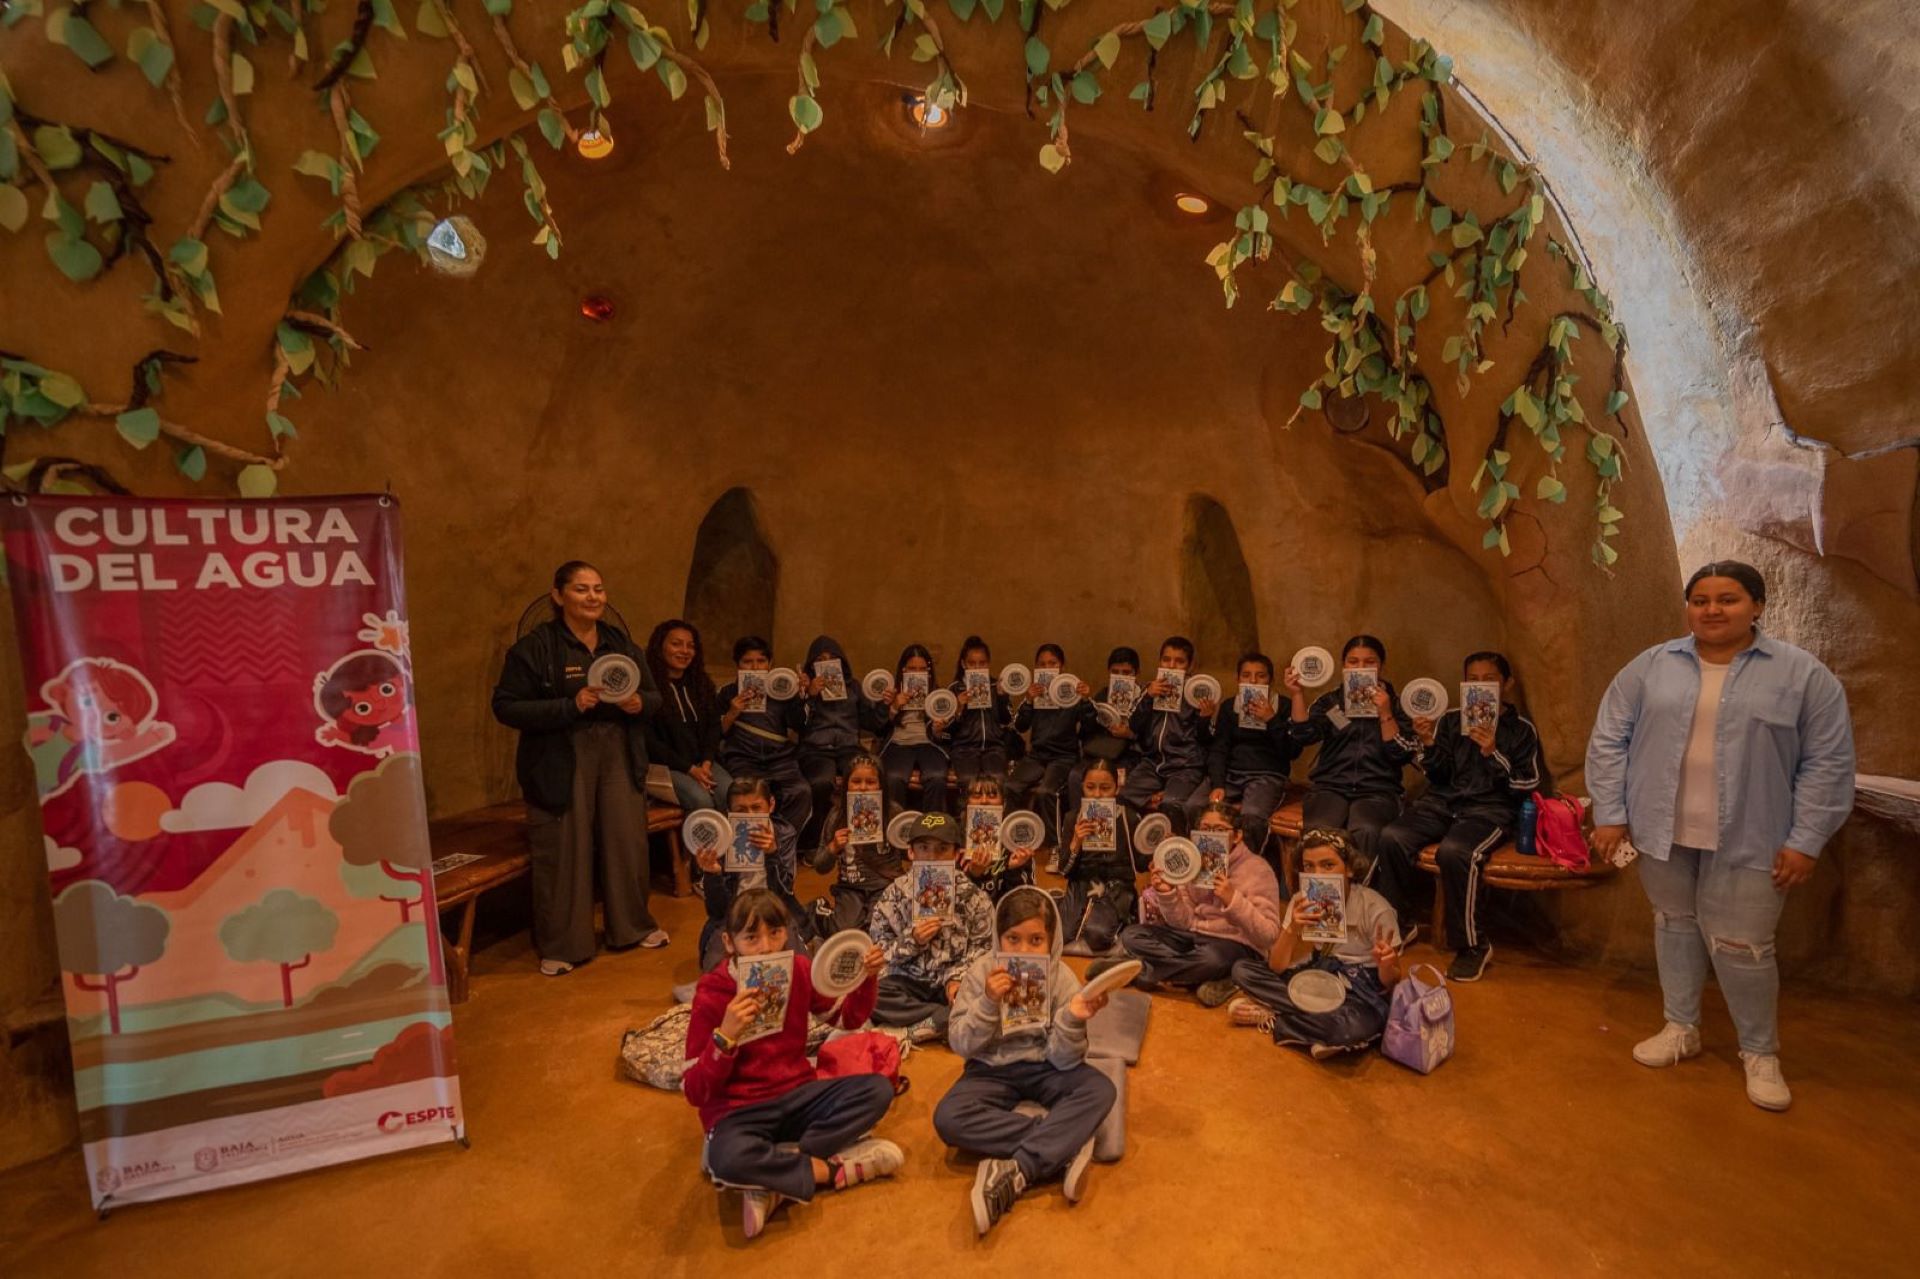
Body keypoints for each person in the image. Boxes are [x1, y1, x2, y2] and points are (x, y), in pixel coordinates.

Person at [1586, 560, 1854, 1112]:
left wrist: (1807, 839)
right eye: (1701, 599)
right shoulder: (1651, 667)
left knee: (1745, 948)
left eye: (1727, 599)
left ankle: (1760, 1054)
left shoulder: (1803, 675)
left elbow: (1828, 763)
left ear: (1757, 606)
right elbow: (1609, 738)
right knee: (1675, 926)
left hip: (1754, 835)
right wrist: (1609, 813)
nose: (1712, 610)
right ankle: (1680, 1027)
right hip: (1663, 830)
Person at [682, 889, 904, 1240]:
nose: (767, 947)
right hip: (739, 1111)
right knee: (724, 1157)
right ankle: (829, 1171)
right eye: (751, 938)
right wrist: (724, 1038)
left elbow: (847, 1018)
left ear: (787, 933)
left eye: (775, 933)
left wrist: (867, 978)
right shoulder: (714, 991)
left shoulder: (799, 969)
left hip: (798, 1095)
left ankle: (773, 1175)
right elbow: (694, 1090)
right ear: (729, 942)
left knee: (877, 1089)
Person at [491, 561, 667, 975]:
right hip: (562, 757)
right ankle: (563, 945)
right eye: (582, 590)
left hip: (619, 751)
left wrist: (639, 703)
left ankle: (632, 927)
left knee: (627, 841)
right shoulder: (536, 648)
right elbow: (505, 706)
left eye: (599, 590)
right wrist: (570, 705)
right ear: (558, 596)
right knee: (565, 847)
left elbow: (654, 697)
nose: (593, 598)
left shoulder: (620, 644)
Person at [935, 886, 1117, 1236]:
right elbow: (960, 1043)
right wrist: (988, 1002)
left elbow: (1065, 1060)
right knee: (948, 1119)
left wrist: (1072, 1019)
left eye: (1036, 940)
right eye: (1013, 939)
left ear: (1051, 941)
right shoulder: (980, 973)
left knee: (1100, 1089)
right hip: (990, 1070)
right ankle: (1063, 1144)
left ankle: (1019, 1168)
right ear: (998, 938)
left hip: (1046, 1065)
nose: (1023, 950)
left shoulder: (1061, 976)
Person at [1371, 651, 1541, 983]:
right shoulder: (1451, 719)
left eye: (1488, 680)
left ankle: (1473, 946)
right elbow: (1439, 774)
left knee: (1456, 852)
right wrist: (1429, 742)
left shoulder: (1520, 730)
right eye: (1472, 680)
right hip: (1443, 803)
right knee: (1392, 836)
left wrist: (1494, 753)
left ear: (1506, 684)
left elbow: (1527, 783)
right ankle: (1400, 923)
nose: (1479, 686)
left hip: (1489, 809)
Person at [1226, 828, 1403, 1058]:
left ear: (1349, 869)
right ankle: (1319, 1028)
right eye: (1309, 867)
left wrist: (1386, 964)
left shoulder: (1376, 909)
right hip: (1318, 977)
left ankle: (1278, 1018)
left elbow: (1391, 982)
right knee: (1242, 970)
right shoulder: (1302, 900)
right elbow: (1277, 967)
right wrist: (1292, 930)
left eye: (1328, 865)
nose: (1318, 874)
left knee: (1352, 1029)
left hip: (1359, 992)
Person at [1107, 801, 1281, 1001]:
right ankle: (1204, 977)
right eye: (1205, 829)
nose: (1212, 836)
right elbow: (1183, 923)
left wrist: (1233, 900)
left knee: (1212, 960)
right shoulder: (1192, 861)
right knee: (1132, 935)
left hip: (1235, 945)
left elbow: (1268, 936)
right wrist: (1168, 893)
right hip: (1195, 937)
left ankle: (1143, 972)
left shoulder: (1258, 869)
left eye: (1220, 830)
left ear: (1237, 835)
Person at [1286, 634, 1411, 867]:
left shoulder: (1397, 702)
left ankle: (1360, 897)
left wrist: (1385, 712)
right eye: (1353, 661)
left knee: (1366, 830)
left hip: (1378, 789)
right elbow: (1304, 735)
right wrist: (1297, 694)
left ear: (1381, 666)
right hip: (1330, 786)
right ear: (1343, 665)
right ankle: (1321, 898)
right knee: (1320, 832)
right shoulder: (1331, 701)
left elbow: (1401, 754)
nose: (1360, 668)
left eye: (1369, 662)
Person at [867, 811, 994, 1040]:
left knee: (987, 995)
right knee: (871, 994)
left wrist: (956, 978)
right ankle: (941, 1020)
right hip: (908, 981)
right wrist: (912, 940)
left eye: (942, 849)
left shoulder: (972, 896)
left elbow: (983, 947)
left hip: (953, 985)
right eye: (924, 848)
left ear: (956, 854)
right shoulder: (895, 894)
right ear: (911, 852)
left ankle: (922, 1024)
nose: (932, 857)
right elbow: (880, 950)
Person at [696, 776, 810, 970]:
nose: (749, 816)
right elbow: (717, 910)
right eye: (741, 810)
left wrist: (772, 855)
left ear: (771, 804)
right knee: (718, 971)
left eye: (756, 808)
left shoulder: (784, 833)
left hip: (774, 912)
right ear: (729, 812)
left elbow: (784, 893)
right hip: (734, 916)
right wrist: (712, 874)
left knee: (799, 969)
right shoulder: (722, 839)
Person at [1207, 651, 1301, 859]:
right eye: (1246, 675)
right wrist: (1217, 784)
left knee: (1252, 817)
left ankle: (1246, 870)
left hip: (1267, 775)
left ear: (1271, 680)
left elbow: (1292, 751)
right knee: (1196, 806)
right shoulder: (1230, 707)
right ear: (1238, 679)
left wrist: (1272, 719)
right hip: (1232, 775)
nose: (1253, 680)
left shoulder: (1283, 705)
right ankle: (1208, 869)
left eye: (1260, 675)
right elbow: (1219, 749)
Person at [1119, 636, 1217, 832]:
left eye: (1179, 661)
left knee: (1171, 804)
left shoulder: (1197, 693)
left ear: (1189, 666)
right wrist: (1148, 697)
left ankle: (1176, 852)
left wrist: (1205, 717)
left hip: (1185, 766)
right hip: (1152, 762)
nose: (1171, 666)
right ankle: (1136, 852)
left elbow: (1207, 740)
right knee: (1123, 798)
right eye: (1166, 659)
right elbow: (1134, 726)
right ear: (1159, 661)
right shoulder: (1150, 688)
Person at [796, 635, 885, 845]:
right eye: (820, 659)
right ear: (812, 665)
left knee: (864, 778)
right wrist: (810, 696)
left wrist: (885, 706)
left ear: (840, 661)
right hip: (816, 749)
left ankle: (863, 837)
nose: (826, 662)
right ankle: (815, 841)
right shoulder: (805, 688)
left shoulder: (853, 686)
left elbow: (872, 722)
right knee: (821, 783)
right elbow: (797, 724)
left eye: (831, 657)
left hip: (848, 748)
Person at [718, 637, 813, 834]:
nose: (755, 667)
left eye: (761, 661)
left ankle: (779, 842)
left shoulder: (781, 690)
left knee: (801, 792)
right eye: (747, 661)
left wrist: (801, 695)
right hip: (743, 759)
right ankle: (749, 848)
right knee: (746, 797)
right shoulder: (727, 693)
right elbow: (716, 734)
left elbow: (799, 725)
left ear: (770, 664)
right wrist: (732, 713)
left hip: (780, 760)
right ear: (737, 665)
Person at [806, 753, 902, 934]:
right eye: (856, 781)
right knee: (845, 931)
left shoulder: (893, 812)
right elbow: (820, 866)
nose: (863, 788)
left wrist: (904, 839)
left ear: (881, 784)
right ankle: (818, 911)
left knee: (880, 929)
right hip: (850, 887)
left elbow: (912, 852)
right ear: (846, 785)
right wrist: (833, 848)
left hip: (885, 885)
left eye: (871, 782)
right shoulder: (836, 816)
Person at [642, 618, 730, 812]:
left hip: (702, 763)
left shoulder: (701, 684)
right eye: (676, 644)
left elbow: (713, 727)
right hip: (664, 768)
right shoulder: (646, 688)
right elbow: (649, 742)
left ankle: (728, 843)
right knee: (701, 801)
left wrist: (706, 762)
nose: (684, 651)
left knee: (730, 793)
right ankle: (695, 844)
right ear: (660, 647)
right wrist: (690, 770)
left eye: (690, 646)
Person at [1005, 644, 1088, 847]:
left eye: (1052, 663)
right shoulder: (1035, 694)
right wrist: (1028, 701)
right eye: (1042, 664)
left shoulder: (1072, 691)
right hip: (1037, 755)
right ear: (1036, 668)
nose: (1047, 667)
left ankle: (1055, 847)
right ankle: (1013, 840)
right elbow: (1019, 726)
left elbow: (1091, 723)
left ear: (1062, 666)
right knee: (1010, 786)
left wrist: (1085, 699)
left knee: (1046, 792)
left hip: (1063, 757)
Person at [1059, 758, 1140, 955]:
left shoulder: (1129, 818)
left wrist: (1157, 844)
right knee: (1061, 934)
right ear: (1082, 787)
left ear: (1117, 788)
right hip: (1081, 883)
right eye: (1090, 787)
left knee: (1097, 935)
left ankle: (1122, 921)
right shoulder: (1073, 817)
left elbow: (1142, 866)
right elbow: (1064, 870)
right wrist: (1075, 843)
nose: (1097, 795)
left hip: (1116, 886)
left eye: (1105, 788)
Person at [877, 644, 955, 814]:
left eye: (922, 669)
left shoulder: (938, 695)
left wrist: (938, 730)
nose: (917, 673)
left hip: (928, 744)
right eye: (912, 669)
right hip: (898, 743)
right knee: (894, 778)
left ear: (928, 672)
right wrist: (893, 707)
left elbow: (949, 735)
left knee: (936, 777)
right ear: (903, 670)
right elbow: (876, 727)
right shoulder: (891, 693)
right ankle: (895, 829)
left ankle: (933, 830)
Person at [948, 636, 1014, 794]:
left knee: (998, 780)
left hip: (994, 747)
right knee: (969, 781)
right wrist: (958, 708)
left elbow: (1007, 720)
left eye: (982, 663)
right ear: (964, 664)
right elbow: (947, 731)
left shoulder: (995, 685)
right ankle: (966, 816)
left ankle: (997, 817)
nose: (977, 668)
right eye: (972, 663)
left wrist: (1001, 697)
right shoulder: (954, 689)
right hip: (964, 749)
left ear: (988, 663)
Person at [961, 776, 1036, 899]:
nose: (984, 801)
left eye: (992, 795)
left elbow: (1026, 895)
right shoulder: (953, 837)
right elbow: (954, 897)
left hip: (1005, 910)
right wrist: (973, 875)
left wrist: (1012, 870)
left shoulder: (1017, 839)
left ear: (1004, 803)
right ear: (967, 802)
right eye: (977, 795)